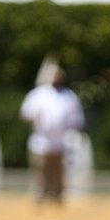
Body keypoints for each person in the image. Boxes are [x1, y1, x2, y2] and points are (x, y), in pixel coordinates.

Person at [19, 65, 85, 204]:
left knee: (58, 173)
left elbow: (76, 119)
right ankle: (40, 196)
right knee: (40, 172)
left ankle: (57, 197)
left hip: (61, 142)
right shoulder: (39, 94)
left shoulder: (69, 96)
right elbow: (26, 114)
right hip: (41, 142)